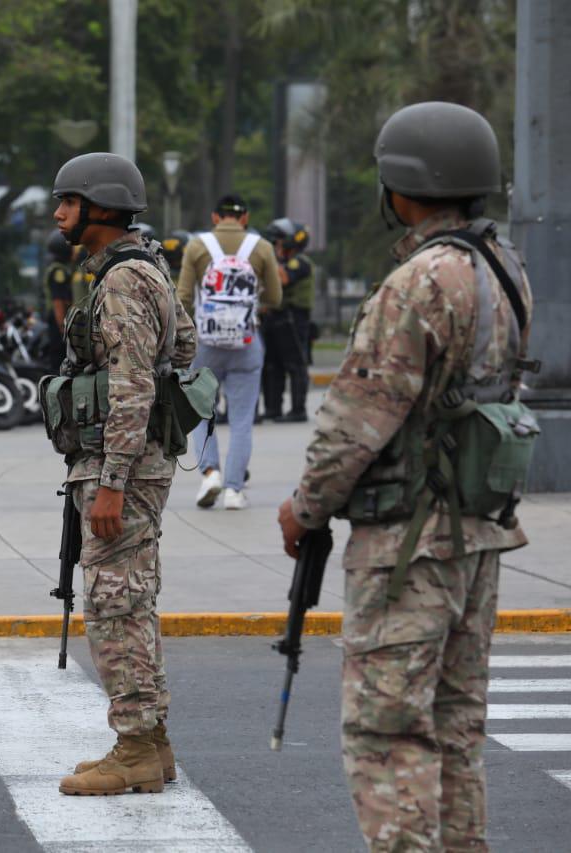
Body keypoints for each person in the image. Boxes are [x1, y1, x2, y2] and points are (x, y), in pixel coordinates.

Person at [277, 102, 537, 852]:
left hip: (409, 544)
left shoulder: (420, 279)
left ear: (405, 182)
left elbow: (358, 416)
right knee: (456, 729)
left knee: (389, 734)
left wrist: (305, 506)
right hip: (479, 533)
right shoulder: (502, 268)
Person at [45, 152, 197, 796]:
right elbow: (184, 345)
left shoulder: (124, 280)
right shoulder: (147, 267)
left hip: (123, 470)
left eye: (68, 202)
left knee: (113, 606)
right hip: (138, 463)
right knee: (133, 602)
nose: (58, 213)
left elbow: (133, 385)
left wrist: (112, 480)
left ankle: (134, 747)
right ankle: (152, 741)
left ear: (100, 208)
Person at [177, 194, 281, 509]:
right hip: (246, 344)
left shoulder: (196, 246)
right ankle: (234, 490)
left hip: (205, 343)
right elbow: (275, 297)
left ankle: (210, 472)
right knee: (242, 420)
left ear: (215, 216)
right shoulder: (261, 248)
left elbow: (183, 296)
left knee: (200, 411)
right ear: (245, 217)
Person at [260, 217, 314, 422]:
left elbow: (282, 279)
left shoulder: (300, 262)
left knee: (295, 364)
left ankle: (298, 409)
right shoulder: (282, 262)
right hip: (276, 318)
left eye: (278, 241)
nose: (275, 246)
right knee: (272, 365)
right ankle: (273, 408)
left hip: (293, 318)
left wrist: (270, 259)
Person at [43, 229, 76, 371]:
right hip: (58, 321)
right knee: (59, 360)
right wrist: (64, 330)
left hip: (56, 320)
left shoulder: (57, 268)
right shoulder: (59, 272)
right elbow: (58, 302)